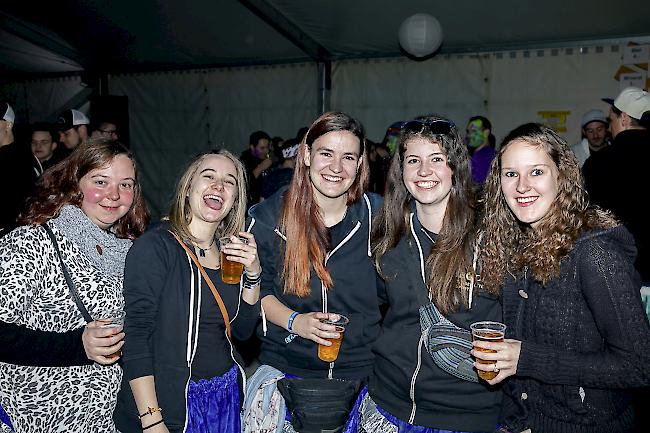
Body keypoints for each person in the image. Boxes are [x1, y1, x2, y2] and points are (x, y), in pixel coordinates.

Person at [475, 123, 650, 433]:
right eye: (511, 174)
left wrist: (527, 359)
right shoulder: (514, 248)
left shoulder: (595, 255)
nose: (522, 186)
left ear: (562, 176)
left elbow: (638, 367)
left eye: (537, 172)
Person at [357, 115, 502, 433]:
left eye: (437, 158)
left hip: (466, 415)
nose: (424, 171)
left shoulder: (492, 235)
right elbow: (371, 310)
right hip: (389, 404)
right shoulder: (388, 235)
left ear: (456, 166)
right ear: (401, 169)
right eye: (413, 160)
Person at [0, 140, 149, 432]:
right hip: (35, 418)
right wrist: (75, 345)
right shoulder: (31, 241)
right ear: (75, 183)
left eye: (126, 184)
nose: (114, 195)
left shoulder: (130, 251)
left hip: (106, 420)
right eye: (100, 181)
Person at [248, 111, 382, 432]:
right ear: (306, 155)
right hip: (288, 372)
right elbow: (254, 293)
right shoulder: (267, 217)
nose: (336, 167)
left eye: (348, 157)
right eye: (326, 153)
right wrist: (297, 322)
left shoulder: (379, 216)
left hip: (364, 376)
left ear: (360, 163)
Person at [114, 150, 261, 433]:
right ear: (188, 187)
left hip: (224, 400)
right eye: (208, 176)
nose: (219, 186)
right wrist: (152, 419)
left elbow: (242, 332)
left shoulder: (230, 254)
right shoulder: (156, 247)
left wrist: (253, 274)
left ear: (234, 200)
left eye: (229, 182)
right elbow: (136, 338)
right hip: (171, 405)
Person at [583, 86, 650, 283]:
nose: (609, 128)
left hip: (615, 271)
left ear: (625, 119)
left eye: (610, 120)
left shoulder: (599, 163)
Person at [241, 130, 272, 205]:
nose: (266, 151)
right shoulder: (244, 161)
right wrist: (261, 167)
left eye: (267, 147)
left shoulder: (265, 158)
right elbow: (246, 183)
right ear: (252, 147)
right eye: (262, 148)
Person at [465, 115, 496, 184]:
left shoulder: (483, 156)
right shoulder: (492, 154)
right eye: (468, 131)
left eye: (473, 131)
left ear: (486, 133)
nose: (469, 135)